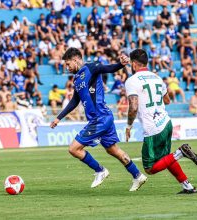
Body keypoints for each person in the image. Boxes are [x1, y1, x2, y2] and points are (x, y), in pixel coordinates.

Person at [50, 47, 147, 191]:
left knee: (74, 149)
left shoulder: (91, 67)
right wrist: (59, 118)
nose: (67, 67)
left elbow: (108, 68)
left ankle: (100, 170)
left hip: (99, 118)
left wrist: (120, 65)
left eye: (68, 64)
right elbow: (74, 101)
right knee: (113, 150)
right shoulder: (77, 79)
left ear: (76, 59)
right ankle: (137, 175)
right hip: (104, 118)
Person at [125, 49, 197, 194]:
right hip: (166, 122)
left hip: (153, 128)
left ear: (134, 64)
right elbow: (167, 100)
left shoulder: (132, 81)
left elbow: (133, 107)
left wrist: (129, 126)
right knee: (165, 158)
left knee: (150, 168)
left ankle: (180, 153)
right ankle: (187, 186)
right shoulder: (157, 78)